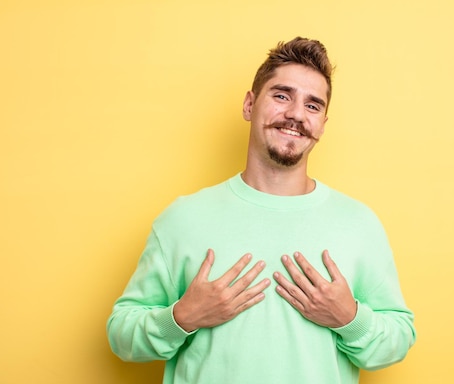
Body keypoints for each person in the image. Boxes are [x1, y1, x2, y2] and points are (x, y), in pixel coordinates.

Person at [107, 36, 416, 384]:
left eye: (313, 106)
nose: (296, 114)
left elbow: (399, 338)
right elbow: (121, 335)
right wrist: (182, 317)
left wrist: (349, 317)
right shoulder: (182, 218)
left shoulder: (359, 224)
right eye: (282, 95)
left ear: (323, 126)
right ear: (249, 105)